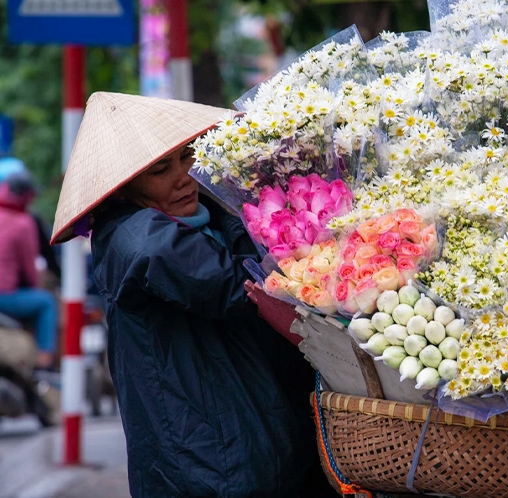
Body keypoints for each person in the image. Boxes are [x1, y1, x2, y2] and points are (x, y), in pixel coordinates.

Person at [50, 92, 335, 497]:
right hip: (207, 465)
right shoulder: (133, 236)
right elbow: (230, 286)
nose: (183, 176)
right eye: (160, 170)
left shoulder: (211, 219)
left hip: (267, 442)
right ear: (128, 188)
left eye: (187, 156)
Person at [0, 170, 58, 371]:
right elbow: (30, 270)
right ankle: (44, 361)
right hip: (4, 297)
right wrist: (36, 286)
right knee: (46, 302)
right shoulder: (24, 222)